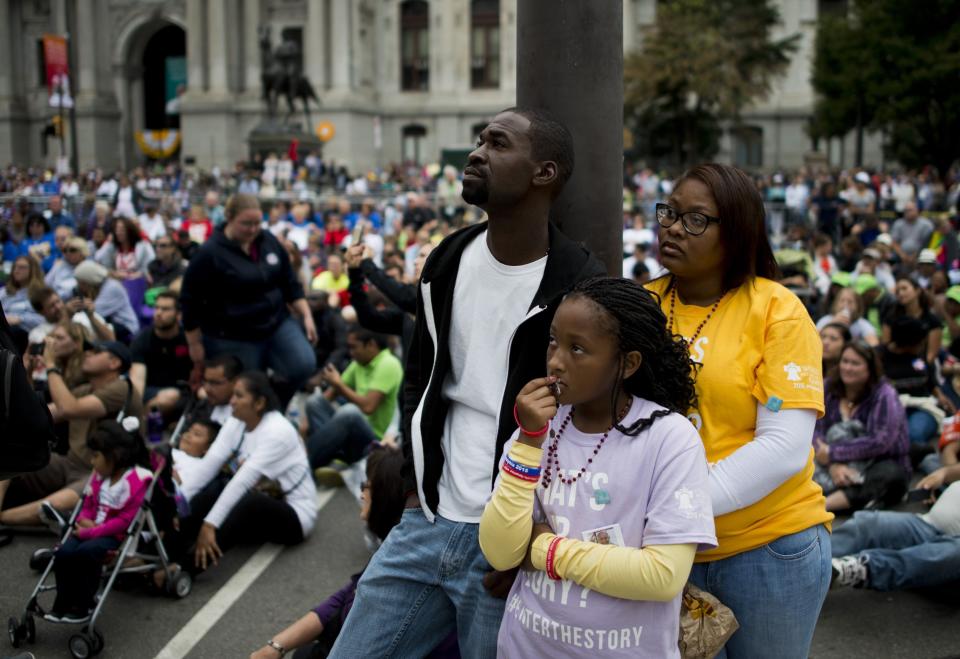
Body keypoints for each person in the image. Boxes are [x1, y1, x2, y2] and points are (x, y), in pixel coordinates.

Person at [329, 107, 605, 658]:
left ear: (543, 173)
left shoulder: (581, 282)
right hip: (425, 520)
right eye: (480, 140)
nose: (477, 152)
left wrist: (540, 535)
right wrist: (414, 486)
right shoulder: (447, 260)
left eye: (497, 144)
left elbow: (594, 426)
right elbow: (419, 380)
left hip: (509, 538)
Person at [646, 163, 833, 658]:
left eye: (695, 220)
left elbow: (783, 450)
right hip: (665, 550)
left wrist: (673, 508)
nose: (671, 227)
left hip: (768, 548)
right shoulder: (636, 307)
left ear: (738, 232)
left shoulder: (778, 311)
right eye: (669, 212)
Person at [479, 277, 715, 657]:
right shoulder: (540, 427)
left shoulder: (669, 439)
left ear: (628, 363)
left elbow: (662, 576)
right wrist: (528, 442)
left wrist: (543, 549)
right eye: (554, 340)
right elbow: (500, 552)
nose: (555, 361)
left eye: (578, 349)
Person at [251, 447, 460, 659]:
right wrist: (275, 646)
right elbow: (341, 598)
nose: (362, 492)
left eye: (367, 484)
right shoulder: (397, 548)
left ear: (386, 496)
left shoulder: (409, 568)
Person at [179, 194, 317, 404]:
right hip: (234, 334)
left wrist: (306, 314)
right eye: (246, 223)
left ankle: (274, 407)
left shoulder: (268, 240)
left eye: (257, 223)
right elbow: (189, 301)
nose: (253, 229)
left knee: (303, 364)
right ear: (229, 218)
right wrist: (195, 345)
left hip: (275, 322)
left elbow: (289, 281)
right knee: (250, 391)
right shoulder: (209, 253)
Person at [177, 371, 317, 572]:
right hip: (259, 511)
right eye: (233, 394)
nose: (232, 401)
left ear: (259, 403)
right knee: (214, 487)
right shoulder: (236, 421)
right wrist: (178, 508)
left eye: (239, 396)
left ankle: (183, 570)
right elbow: (207, 467)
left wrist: (210, 525)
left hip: (295, 516)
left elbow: (243, 482)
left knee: (248, 502)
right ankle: (162, 551)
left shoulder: (278, 432)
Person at [0, 340, 142, 526]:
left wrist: (51, 366)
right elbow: (37, 416)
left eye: (96, 351)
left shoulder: (123, 388)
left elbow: (69, 408)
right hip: (70, 463)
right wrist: (25, 373)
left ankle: (3, 518)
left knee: (54, 505)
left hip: (100, 473)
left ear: (114, 363)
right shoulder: (85, 390)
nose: (87, 354)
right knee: (9, 458)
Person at [50, 419, 152, 623]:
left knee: (86, 553)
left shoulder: (135, 481)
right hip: (88, 529)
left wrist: (92, 531)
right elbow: (86, 504)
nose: (92, 462)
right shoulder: (99, 477)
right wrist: (83, 519)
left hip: (111, 536)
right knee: (63, 553)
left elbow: (124, 521)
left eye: (96, 456)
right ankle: (63, 601)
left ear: (115, 456)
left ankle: (84, 604)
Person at [813, 341, 910, 512]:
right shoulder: (828, 387)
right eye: (845, 361)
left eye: (855, 363)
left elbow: (881, 441)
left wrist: (834, 453)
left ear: (870, 368)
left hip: (877, 461)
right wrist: (833, 464)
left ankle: (820, 507)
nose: (848, 368)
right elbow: (815, 429)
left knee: (891, 476)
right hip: (830, 461)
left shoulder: (884, 394)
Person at [830, 480, 960, 592]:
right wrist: (944, 473)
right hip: (928, 524)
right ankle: (814, 560)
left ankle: (859, 569)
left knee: (953, 551)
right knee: (870, 523)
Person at [304, 327, 404, 470]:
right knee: (314, 402)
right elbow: (329, 396)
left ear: (371, 345)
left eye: (354, 347)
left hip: (377, 440)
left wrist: (339, 385)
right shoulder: (359, 363)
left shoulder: (388, 363)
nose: (351, 353)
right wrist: (306, 422)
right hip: (354, 434)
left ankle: (306, 464)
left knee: (349, 412)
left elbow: (368, 407)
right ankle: (330, 456)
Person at [129, 291, 192, 414]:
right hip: (150, 390)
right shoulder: (142, 340)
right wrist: (134, 407)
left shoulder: (188, 339)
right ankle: (140, 423)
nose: (158, 313)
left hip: (183, 391)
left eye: (165, 309)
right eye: (156, 308)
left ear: (178, 314)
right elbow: (137, 380)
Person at [73, 260, 139, 342]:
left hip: (126, 328)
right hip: (110, 322)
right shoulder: (100, 286)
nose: (79, 287)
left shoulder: (112, 288)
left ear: (89, 281)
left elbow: (95, 312)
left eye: (81, 283)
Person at [881, 276, 941, 365]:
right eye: (897, 291)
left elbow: (931, 356)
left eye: (904, 289)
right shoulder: (891, 317)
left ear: (917, 290)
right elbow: (885, 346)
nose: (900, 293)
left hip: (922, 366)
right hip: (894, 363)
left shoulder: (932, 320)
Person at [190, 354, 244, 426]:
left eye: (215, 383)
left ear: (236, 382)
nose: (207, 389)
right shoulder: (202, 407)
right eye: (205, 381)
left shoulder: (246, 416)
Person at [1, 255, 45, 332]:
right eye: (15, 267)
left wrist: (20, 319)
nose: (16, 270)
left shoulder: (41, 293)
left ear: (32, 270)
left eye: (22, 267)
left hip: (24, 332)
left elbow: (46, 319)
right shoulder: (5, 291)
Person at [890, 202, 934, 267]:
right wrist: (903, 255)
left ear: (917, 210)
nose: (907, 213)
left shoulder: (926, 225)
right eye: (906, 211)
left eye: (910, 210)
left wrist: (915, 256)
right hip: (901, 256)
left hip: (921, 255)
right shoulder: (898, 224)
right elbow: (894, 242)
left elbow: (927, 243)